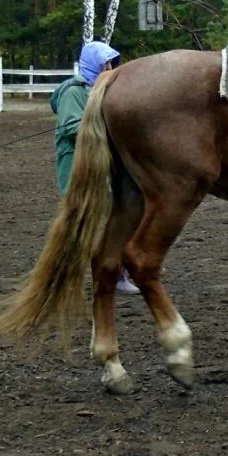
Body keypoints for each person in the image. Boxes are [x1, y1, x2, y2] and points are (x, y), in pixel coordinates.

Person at [53, 40, 139, 295]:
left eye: (113, 63)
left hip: (102, 164)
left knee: (112, 219)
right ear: (93, 65)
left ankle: (118, 273)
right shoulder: (74, 92)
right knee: (78, 222)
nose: (111, 68)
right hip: (77, 165)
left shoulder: (103, 91)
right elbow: (70, 128)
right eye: (106, 64)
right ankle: (64, 274)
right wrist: (106, 127)